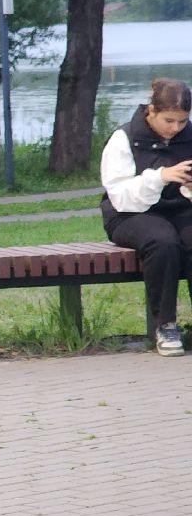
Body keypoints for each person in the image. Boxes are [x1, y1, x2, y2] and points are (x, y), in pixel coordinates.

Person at [100, 77, 192, 356]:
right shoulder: (124, 138)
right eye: (169, 121)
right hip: (128, 213)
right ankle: (165, 325)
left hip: (179, 208)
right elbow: (120, 194)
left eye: (182, 121)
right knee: (163, 242)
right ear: (151, 111)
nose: (175, 128)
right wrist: (160, 177)